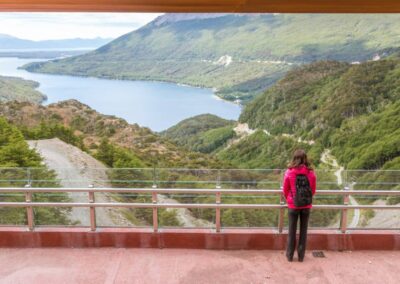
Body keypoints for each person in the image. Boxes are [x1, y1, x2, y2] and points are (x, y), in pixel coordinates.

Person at [282, 149, 316, 262]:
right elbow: (313, 190)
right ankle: (301, 256)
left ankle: (290, 256)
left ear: (294, 159)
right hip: (306, 206)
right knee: (303, 231)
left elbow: (285, 190)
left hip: (293, 206)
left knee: (291, 231)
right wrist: (305, 200)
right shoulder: (311, 173)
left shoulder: (289, 172)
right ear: (305, 159)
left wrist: (290, 200)